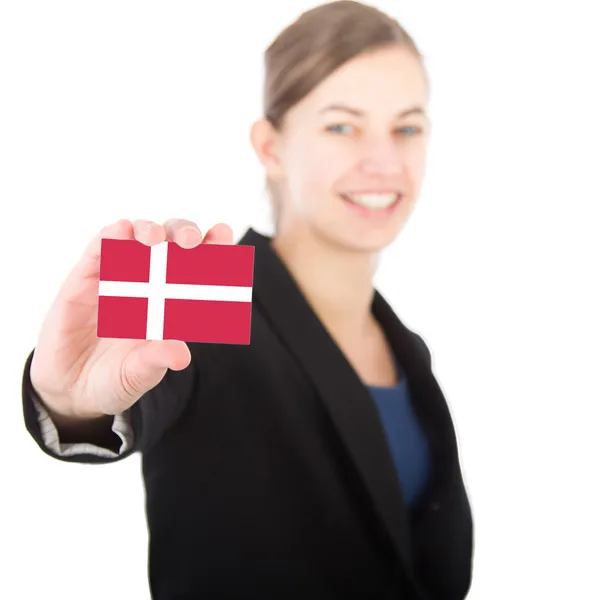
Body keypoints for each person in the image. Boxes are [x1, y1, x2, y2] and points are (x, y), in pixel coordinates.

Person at [21, 1, 474, 598]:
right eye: (342, 125)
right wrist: (68, 401)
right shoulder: (206, 296)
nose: (384, 161)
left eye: (406, 127)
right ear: (271, 148)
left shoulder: (408, 348)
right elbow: (123, 398)